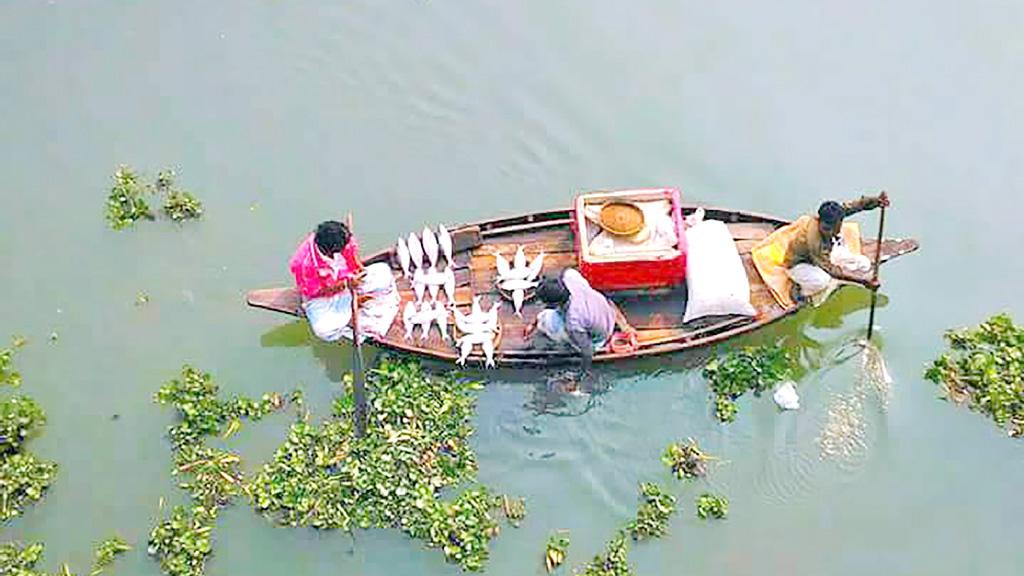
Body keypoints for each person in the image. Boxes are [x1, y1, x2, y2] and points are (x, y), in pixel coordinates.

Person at [752, 192, 889, 309]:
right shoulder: (814, 241)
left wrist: (876, 201)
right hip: (799, 264)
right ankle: (799, 290)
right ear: (821, 222)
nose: (830, 230)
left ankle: (847, 278)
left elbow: (857, 205)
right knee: (822, 280)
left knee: (863, 263)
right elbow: (829, 269)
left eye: (834, 227)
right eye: (826, 228)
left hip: (826, 252)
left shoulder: (834, 214)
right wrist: (863, 282)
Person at [526, 268, 634, 376]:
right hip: (609, 315)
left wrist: (578, 379)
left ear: (553, 304)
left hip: (598, 339)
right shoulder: (571, 278)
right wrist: (625, 326)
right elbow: (567, 270)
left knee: (545, 320)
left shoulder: (573, 322)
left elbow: (588, 352)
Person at [289, 220, 363, 342]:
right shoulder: (304, 265)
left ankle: (350, 303)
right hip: (321, 294)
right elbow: (315, 292)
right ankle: (349, 315)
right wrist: (345, 285)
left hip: (343, 277)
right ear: (330, 252)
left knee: (382, 273)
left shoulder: (339, 236)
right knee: (323, 331)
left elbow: (351, 248)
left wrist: (358, 268)